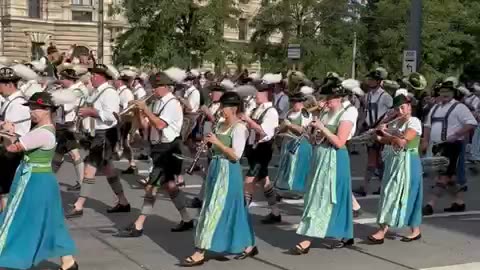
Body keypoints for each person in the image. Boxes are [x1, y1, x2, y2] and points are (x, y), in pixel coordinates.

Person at [0, 92, 78, 270]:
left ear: (47, 110)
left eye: (36, 108)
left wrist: (6, 133)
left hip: (36, 181)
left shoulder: (43, 133)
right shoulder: (40, 130)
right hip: (35, 179)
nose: (32, 112)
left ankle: (15, 256)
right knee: (49, 220)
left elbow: (12, 148)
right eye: (31, 108)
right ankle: (68, 261)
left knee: (25, 218)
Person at [180, 92, 256, 266]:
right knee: (234, 209)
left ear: (233, 108)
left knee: (214, 209)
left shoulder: (240, 128)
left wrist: (217, 143)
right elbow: (216, 148)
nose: (221, 110)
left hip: (229, 171)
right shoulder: (220, 124)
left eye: (224, 107)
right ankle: (249, 244)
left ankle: (200, 251)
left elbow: (235, 156)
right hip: (216, 168)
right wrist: (207, 147)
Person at [115, 71, 192, 237]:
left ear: (165, 87)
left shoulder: (172, 103)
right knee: (170, 186)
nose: (153, 90)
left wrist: (145, 109)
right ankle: (187, 219)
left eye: (156, 87)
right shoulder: (158, 102)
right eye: (152, 87)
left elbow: (160, 124)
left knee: (151, 187)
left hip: (169, 149)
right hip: (158, 148)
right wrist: (137, 112)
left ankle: (138, 225)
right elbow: (146, 126)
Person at [290, 83, 356, 254]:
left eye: (329, 99)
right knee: (317, 194)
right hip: (320, 157)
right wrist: (313, 131)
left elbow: (340, 142)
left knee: (332, 197)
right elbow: (316, 139)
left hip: (336, 158)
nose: (326, 102)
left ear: (339, 98)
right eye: (325, 99)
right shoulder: (325, 113)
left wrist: (322, 128)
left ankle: (308, 238)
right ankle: (345, 233)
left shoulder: (346, 114)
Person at [66, 64, 131, 218]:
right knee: (109, 169)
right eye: (91, 75)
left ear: (102, 76)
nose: (91, 78)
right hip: (96, 134)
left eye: (94, 75)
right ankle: (123, 201)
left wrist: (92, 112)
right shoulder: (96, 92)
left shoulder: (109, 93)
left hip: (105, 134)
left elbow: (112, 116)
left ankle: (79, 205)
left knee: (90, 168)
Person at [368, 93, 423, 244]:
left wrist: (384, 136)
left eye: (402, 107)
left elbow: (402, 141)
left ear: (409, 107)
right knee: (388, 192)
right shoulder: (395, 123)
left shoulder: (414, 122)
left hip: (409, 161)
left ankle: (407, 229)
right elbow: (386, 140)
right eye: (397, 108)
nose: (400, 111)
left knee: (409, 195)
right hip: (394, 161)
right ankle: (384, 229)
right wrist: (379, 130)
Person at [422, 81, 477, 215]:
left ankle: (430, 204)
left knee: (442, 176)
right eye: (442, 91)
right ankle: (459, 202)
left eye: (448, 91)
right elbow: (427, 126)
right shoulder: (435, 108)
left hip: (452, 146)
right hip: (436, 146)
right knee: (449, 177)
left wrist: (457, 134)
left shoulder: (459, 107)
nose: (445, 94)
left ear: (453, 93)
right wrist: (425, 141)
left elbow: (472, 123)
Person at [241, 82, 280, 224]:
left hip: (263, 149)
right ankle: (275, 212)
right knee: (264, 180)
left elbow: (263, 132)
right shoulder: (256, 108)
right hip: (253, 148)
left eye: (256, 93)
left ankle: (242, 213)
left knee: (249, 180)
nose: (254, 96)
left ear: (264, 94)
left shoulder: (271, 112)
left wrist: (248, 120)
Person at [355, 70, 393, 197]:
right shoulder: (368, 96)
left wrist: (382, 126)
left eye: (372, 79)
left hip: (380, 130)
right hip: (369, 128)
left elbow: (391, 113)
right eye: (369, 79)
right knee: (372, 159)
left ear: (378, 81)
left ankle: (383, 186)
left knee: (381, 159)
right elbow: (365, 113)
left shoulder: (386, 97)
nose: (369, 81)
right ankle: (367, 186)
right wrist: (361, 126)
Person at [51, 64, 89, 192]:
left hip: (68, 125)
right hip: (62, 125)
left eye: (63, 78)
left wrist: (56, 96)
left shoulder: (75, 92)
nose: (61, 80)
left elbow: (66, 107)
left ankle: (82, 182)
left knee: (74, 154)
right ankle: (49, 179)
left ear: (69, 79)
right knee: (58, 155)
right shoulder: (68, 90)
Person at [0, 67, 31, 211]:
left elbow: (15, 133)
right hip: (6, 150)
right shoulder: (10, 101)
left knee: (6, 190)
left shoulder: (18, 104)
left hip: (11, 152)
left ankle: (5, 225)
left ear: (9, 84)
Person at [274, 92, 313, 194]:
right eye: (292, 102)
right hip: (288, 142)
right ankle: (285, 188)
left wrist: (290, 125)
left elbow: (303, 130)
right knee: (286, 167)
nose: (293, 104)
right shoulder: (289, 112)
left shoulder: (305, 113)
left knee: (297, 167)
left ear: (300, 103)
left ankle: (296, 189)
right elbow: (284, 126)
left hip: (299, 144)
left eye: (295, 102)